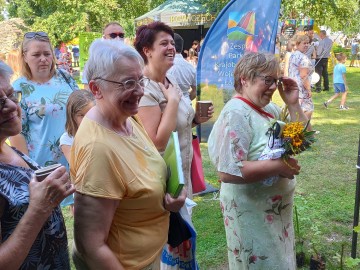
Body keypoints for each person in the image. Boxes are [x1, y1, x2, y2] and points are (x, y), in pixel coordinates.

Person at [70, 39, 185, 269]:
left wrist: (167, 200)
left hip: (146, 257)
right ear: (95, 89)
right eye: (128, 83)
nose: (140, 91)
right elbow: (91, 246)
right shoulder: (98, 149)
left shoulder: (126, 117)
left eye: (140, 80)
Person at [208, 52, 310, 269]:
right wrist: (279, 166)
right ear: (245, 79)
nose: (273, 87)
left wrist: (293, 104)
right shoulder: (236, 113)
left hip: (272, 214)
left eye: (276, 80)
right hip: (251, 214)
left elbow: (302, 140)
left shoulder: (268, 109)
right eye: (267, 80)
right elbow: (227, 172)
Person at [0, 60, 75, 269]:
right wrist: (39, 208)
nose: (12, 106)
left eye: (11, 95)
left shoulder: (8, 149)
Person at [134, 21, 213, 199]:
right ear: (147, 51)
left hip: (183, 175)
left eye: (171, 42)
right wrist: (173, 101)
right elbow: (157, 142)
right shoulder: (145, 89)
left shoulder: (169, 79)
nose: (171, 47)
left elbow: (173, 128)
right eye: (163, 43)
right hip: (163, 181)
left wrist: (195, 120)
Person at [9, 31, 79, 169]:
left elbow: (81, 107)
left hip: (76, 161)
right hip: (43, 169)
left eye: (47, 54)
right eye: (36, 54)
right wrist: (29, 171)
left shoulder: (65, 77)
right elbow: (17, 133)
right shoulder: (18, 89)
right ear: (25, 57)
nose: (43, 59)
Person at [81, 21, 125, 89]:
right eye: (113, 35)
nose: (118, 38)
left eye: (121, 35)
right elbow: (87, 89)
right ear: (104, 38)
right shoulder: (94, 61)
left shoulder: (131, 60)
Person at [60, 90, 95, 162]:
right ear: (72, 116)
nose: (87, 119)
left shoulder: (102, 131)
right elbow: (75, 165)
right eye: (81, 115)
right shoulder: (67, 139)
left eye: (90, 113)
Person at [288, 34, 314, 119]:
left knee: (295, 110)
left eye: (308, 43)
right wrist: (309, 89)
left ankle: (297, 129)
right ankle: (305, 130)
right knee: (308, 109)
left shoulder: (293, 55)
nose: (306, 45)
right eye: (304, 43)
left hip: (292, 86)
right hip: (301, 89)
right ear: (298, 44)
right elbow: (303, 75)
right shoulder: (303, 58)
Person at [168, 33, 197, 101]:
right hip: (186, 105)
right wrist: (186, 101)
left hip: (167, 106)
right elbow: (195, 91)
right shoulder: (190, 67)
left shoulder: (164, 66)